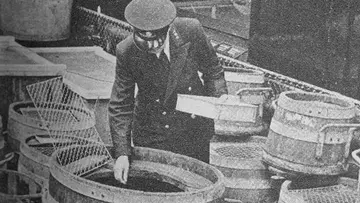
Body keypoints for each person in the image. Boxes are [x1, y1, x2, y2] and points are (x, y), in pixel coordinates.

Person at [109, 0, 228, 184]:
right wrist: (122, 153)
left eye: (157, 43)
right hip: (153, 132)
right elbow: (121, 104)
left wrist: (219, 106)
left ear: (167, 28)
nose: (153, 49)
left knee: (196, 186)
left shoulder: (190, 30)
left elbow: (213, 71)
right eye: (144, 42)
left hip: (192, 129)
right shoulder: (126, 51)